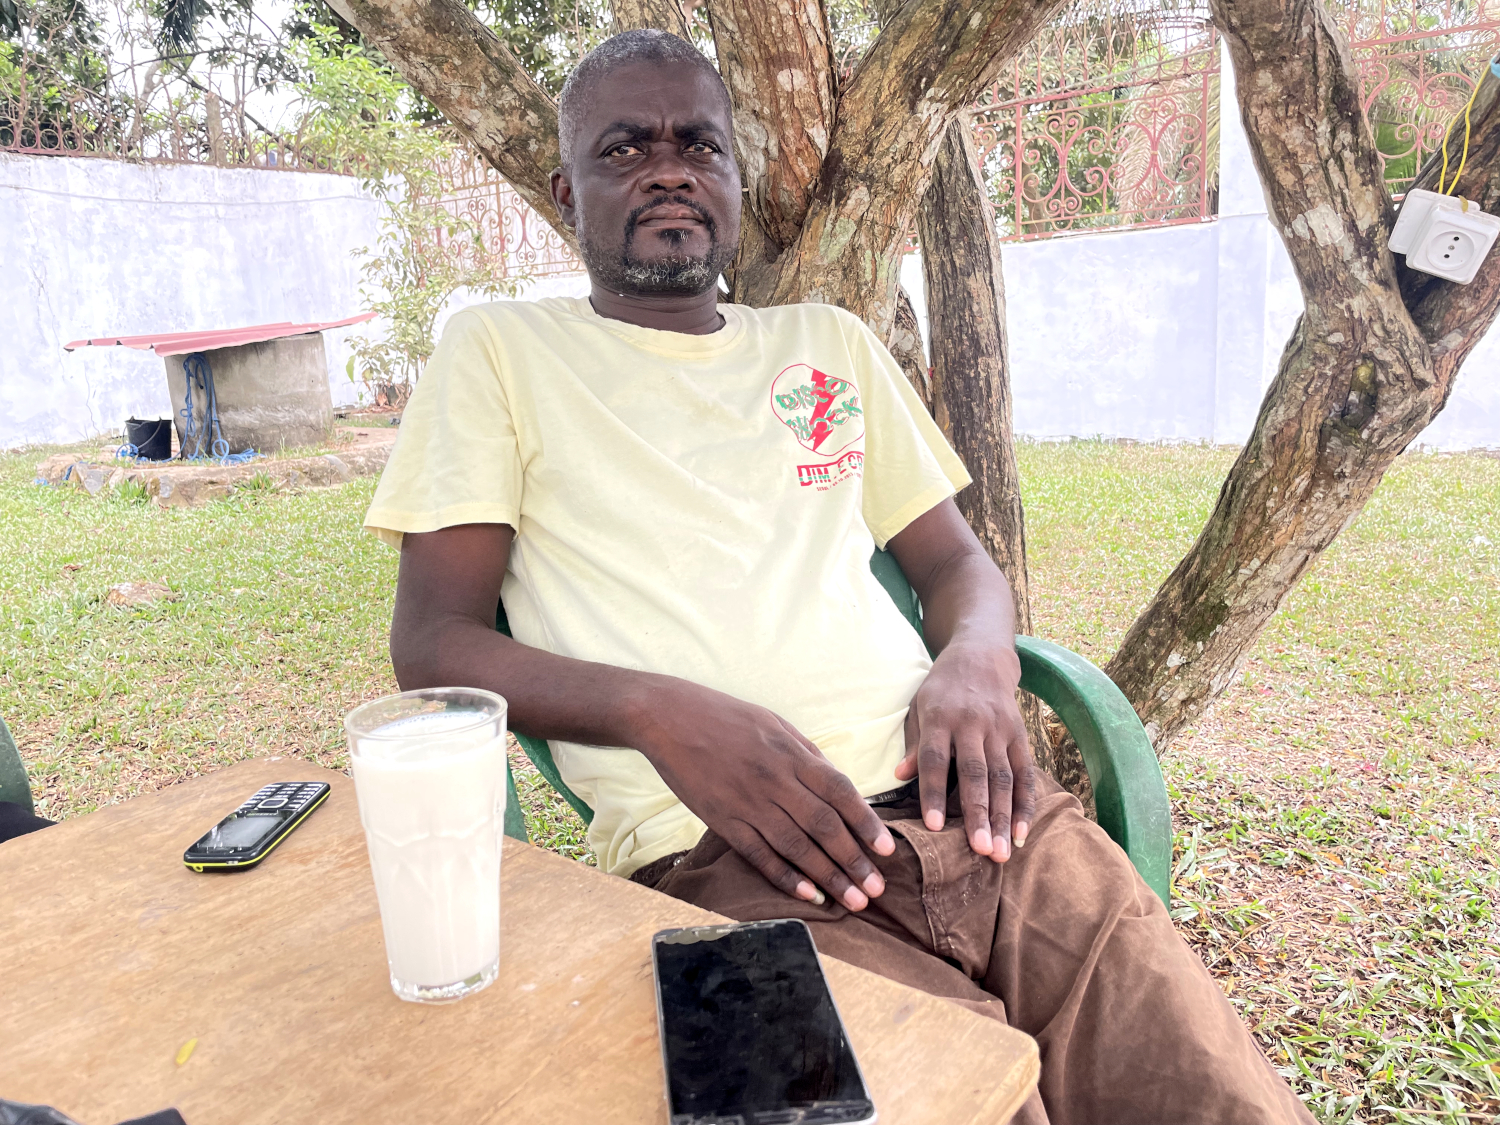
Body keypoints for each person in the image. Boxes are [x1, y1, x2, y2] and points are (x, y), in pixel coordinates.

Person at [364, 30, 1312, 1125]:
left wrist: (975, 661)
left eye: (699, 146)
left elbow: (956, 561)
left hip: (988, 822)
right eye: (626, 147)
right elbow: (432, 644)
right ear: (563, 183)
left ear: (733, 178)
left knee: (1216, 1098)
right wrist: (664, 717)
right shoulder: (497, 355)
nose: (670, 168)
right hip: (733, 869)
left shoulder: (827, 344)